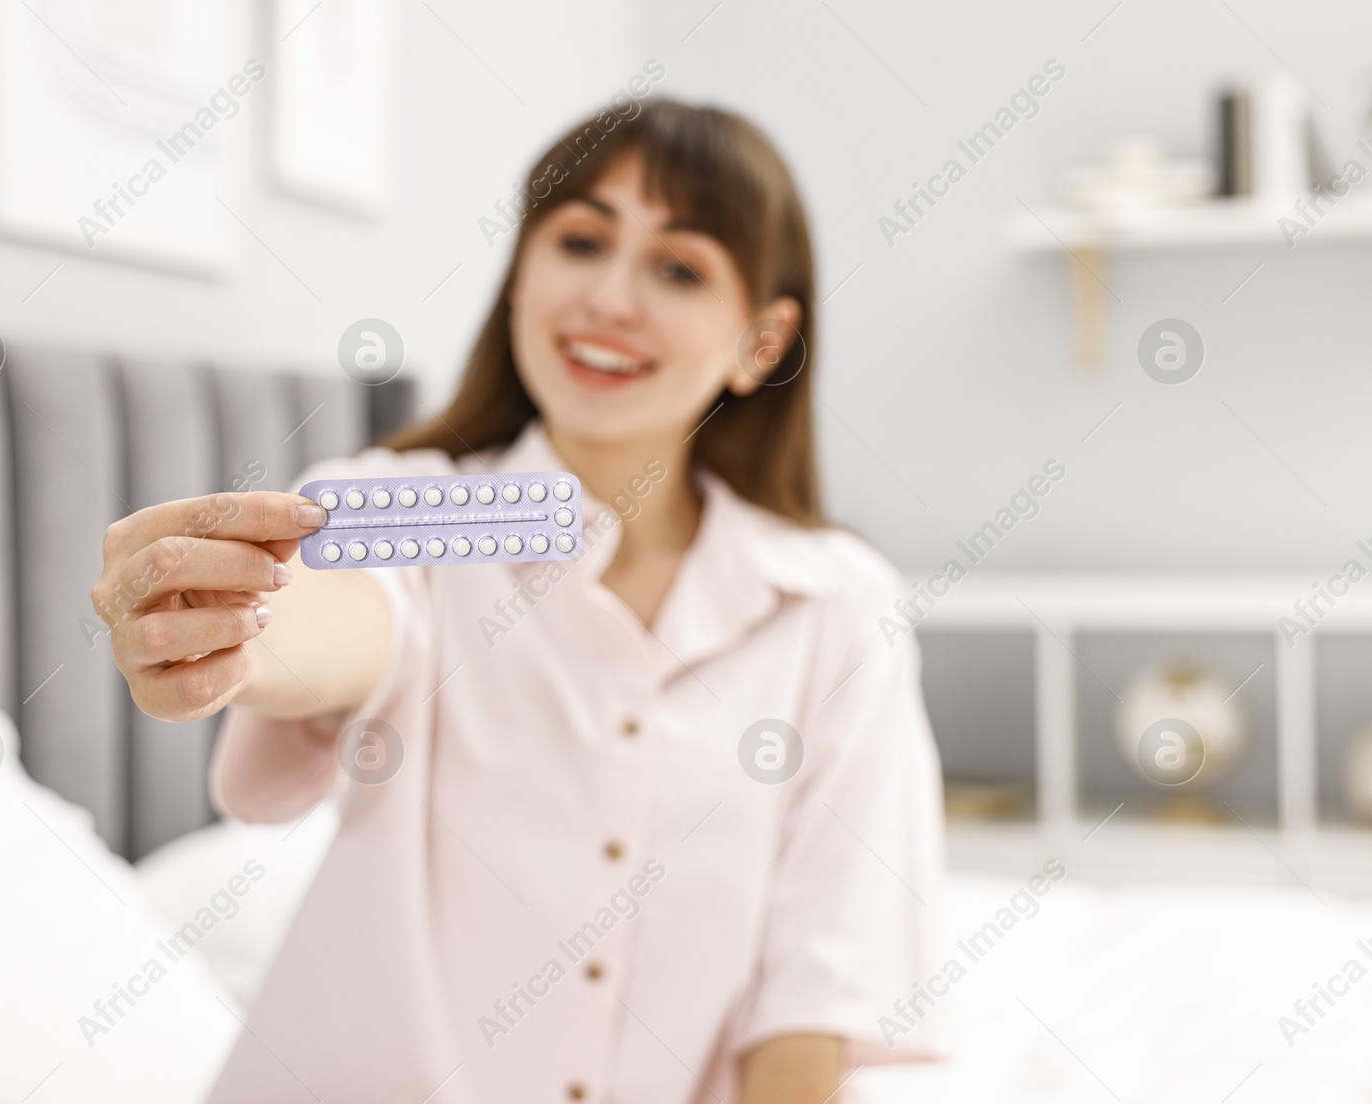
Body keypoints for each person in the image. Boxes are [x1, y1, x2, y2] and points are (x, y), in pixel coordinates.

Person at [94, 99, 944, 1104]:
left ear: (761, 342)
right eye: (580, 241)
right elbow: (340, 614)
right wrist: (224, 624)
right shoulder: (401, 509)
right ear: (521, 280)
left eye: (678, 267)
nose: (611, 299)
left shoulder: (837, 608)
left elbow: (815, 1000)